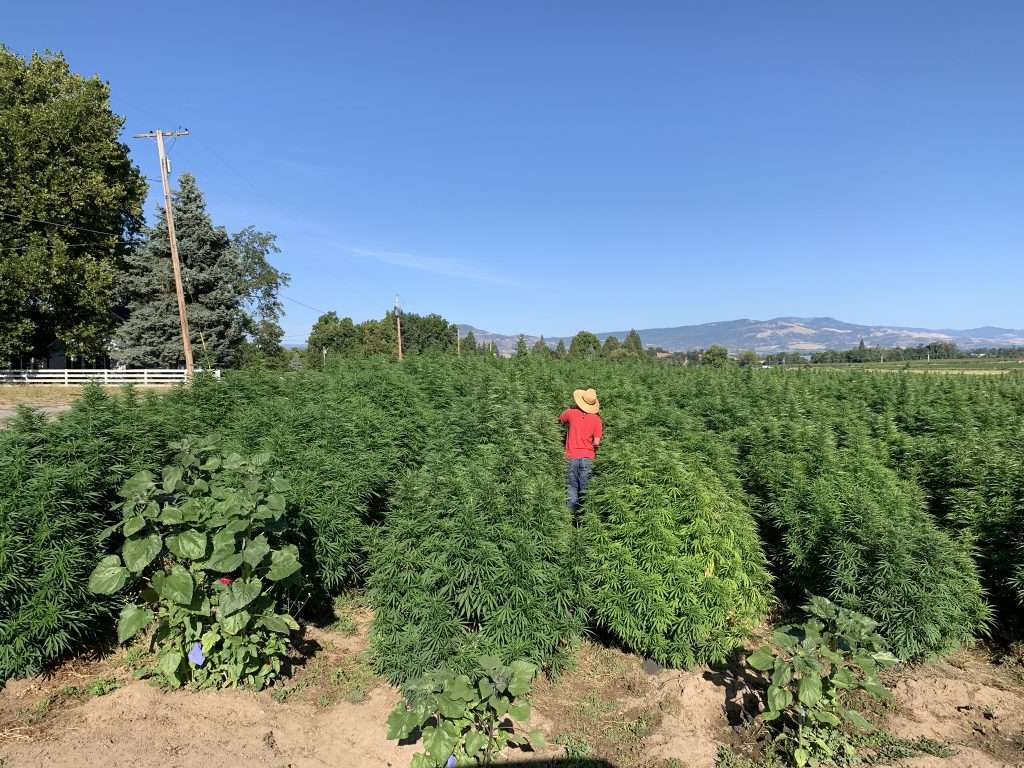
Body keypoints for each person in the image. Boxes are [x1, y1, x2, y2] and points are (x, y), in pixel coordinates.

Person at [559, 388, 603, 513]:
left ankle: (569, 517)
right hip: (588, 458)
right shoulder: (597, 420)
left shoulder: (571, 413)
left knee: (571, 488)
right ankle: (585, 518)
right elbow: (596, 442)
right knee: (586, 490)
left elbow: (559, 420)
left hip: (571, 456)